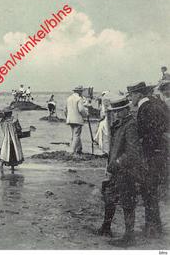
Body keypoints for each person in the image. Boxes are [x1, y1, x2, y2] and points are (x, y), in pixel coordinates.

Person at [96, 97, 142, 247]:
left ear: (125, 110)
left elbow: (133, 152)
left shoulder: (131, 126)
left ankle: (129, 236)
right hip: (115, 170)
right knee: (109, 196)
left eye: (117, 112)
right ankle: (106, 227)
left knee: (128, 202)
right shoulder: (119, 124)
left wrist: (116, 163)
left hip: (126, 171)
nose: (115, 115)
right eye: (113, 112)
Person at [127, 81, 169, 238]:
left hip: (152, 154)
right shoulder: (157, 102)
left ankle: (152, 228)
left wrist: (143, 151)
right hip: (162, 153)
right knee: (152, 191)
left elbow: (148, 134)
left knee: (148, 190)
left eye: (131, 95)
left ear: (138, 94)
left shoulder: (145, 108)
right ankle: (155, 226)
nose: (130, 98)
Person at [64, 86, 88, 155]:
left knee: (75, 134)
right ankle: (72, 151)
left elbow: (65, 110)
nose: (82, 92)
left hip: (70, 119)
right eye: (81, 91)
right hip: (77, 119)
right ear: (79, 91)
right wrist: (86, 114)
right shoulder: (79, 99)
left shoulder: (69, 98)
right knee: (76, 135)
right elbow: (81, 109)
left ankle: (79, 149)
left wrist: (67, 117)